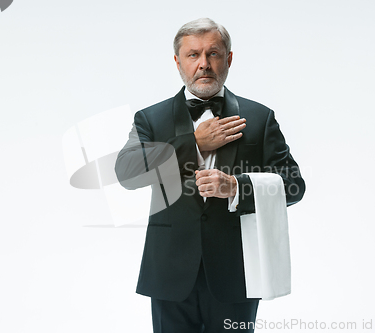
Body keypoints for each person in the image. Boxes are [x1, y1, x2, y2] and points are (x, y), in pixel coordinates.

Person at [115, 17, 305, 333]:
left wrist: (237, 187)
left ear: (228, 59)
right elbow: (127, 173)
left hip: (238, 274)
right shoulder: (151, 118)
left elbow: (295, 185)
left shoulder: (259, 118)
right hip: (169, 274)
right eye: (193, 55)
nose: (203, 64)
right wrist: (194, 143)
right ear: (178, 61)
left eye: (213, 54)